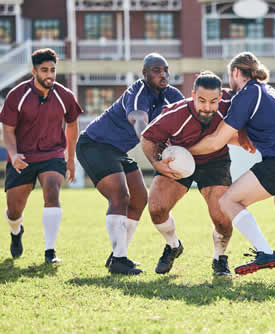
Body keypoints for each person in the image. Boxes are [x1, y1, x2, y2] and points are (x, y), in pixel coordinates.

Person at [189, 52, 275, 278]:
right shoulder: (268, 89)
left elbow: (216, 142)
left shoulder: (247, 93)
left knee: (228, 200)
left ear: (235, 73)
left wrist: (184, 150)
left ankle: (265, 252)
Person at [76, 53, 184, 275]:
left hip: (117, 150)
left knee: (139, 198)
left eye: (165, 69)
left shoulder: (172, 94)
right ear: (144, 74)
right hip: (94, 145)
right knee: (120, 196)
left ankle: (117, 255)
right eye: (156, 70)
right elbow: (139, 122)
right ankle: (119, 259)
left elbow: (185, 118)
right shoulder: (138, 93)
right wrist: (155, 150)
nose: (162, 74)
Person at [142, 71, 253, 276]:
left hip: (215, 162)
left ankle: (219, 258)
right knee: (156, 208)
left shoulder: (229, 106)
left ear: (220, 98)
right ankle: (173, 245)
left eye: (213, 101)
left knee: (222, 218)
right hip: (179, 160)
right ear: (192, 95)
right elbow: (148, 138)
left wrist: (246, 135)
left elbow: (250, 96)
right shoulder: (174, 114)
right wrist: (156, 164)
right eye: (201, 101)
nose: (207, 107)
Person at [0, 48, 83, 264]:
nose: (49, 75)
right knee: (14, 209)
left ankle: (50, 252)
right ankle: (16, 231)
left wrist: (70, 158)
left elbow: (72, 124)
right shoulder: (17, 95)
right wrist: (13, 154)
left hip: (52, 154)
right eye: (44, 70)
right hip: (22, 157)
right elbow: (7, 130)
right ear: (34, 71)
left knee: (52, 192)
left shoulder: (65, 95)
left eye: (53, 70)